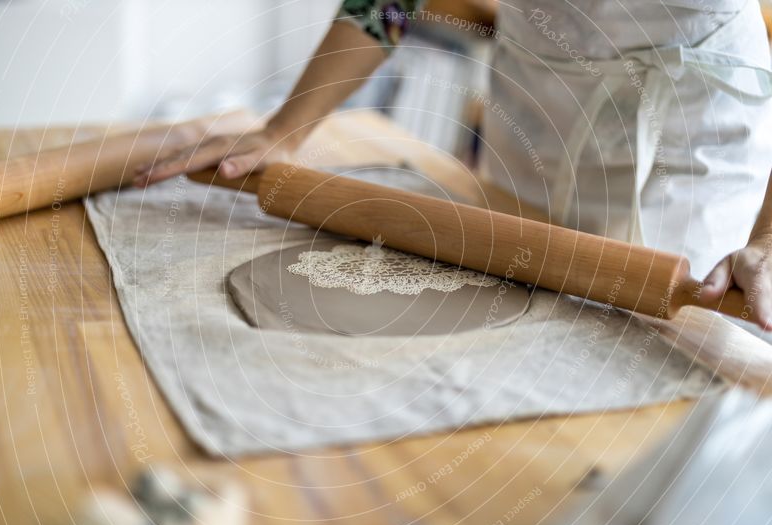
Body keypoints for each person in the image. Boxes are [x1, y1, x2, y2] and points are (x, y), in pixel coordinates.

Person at [134, 0, 772, 330]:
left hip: (688, 123)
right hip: (539, 91)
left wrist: (768, 239)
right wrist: (284, 130)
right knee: (517, 288)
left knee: (674, 331)